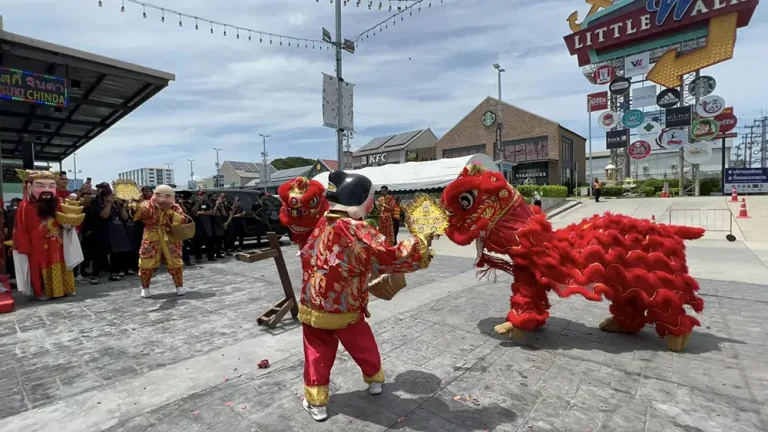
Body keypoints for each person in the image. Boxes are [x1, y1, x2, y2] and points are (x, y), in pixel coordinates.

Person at [299, 171, 433, 422]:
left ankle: (317, 403)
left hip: (314, 303)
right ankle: (375, 381)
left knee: (317, 352)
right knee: (362, 343)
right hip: (346, 304)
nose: (373, 204)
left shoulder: (322, 223)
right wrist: (421, 242)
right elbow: (390, 255)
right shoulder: (357, 228)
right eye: (370, 198)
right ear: (360, 200)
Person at [13, 170, 81, 300]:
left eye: (51, 186)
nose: (47, 190)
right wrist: (24, 246)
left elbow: (66, 219)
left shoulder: (58, 203)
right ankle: (42, 291)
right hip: (37, 245)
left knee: (60, 263)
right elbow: (21, 228)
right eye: (40, 186)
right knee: (40, 266)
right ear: (29, 187)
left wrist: (69, 224)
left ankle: (64, 288)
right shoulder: (25, 206)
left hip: (57, 242)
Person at [134, 184, 186, 298]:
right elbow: (138, 213)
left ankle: (179, 286)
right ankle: (145, 288)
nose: (162, 198)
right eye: (158, 195)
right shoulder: (147, 205)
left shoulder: (175, 207)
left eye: (167, 196)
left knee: (175, 262)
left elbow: (182, 219)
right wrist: (134, 205)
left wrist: (169, 211)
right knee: (146, 262)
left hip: (170, 236)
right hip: (152, 236)